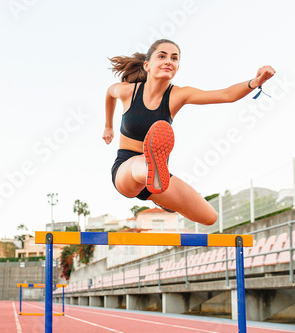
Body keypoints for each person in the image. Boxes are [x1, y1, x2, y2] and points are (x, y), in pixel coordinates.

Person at [103, 39, 275, 226]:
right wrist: (108, 126)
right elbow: (109, 94)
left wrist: (256, 81)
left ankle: (156, 184)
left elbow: (226, 95)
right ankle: (151, 170)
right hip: (126, 170)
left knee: (210, 217)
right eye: (162, 56)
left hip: (157, 181)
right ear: (147, 65)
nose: (169, 61)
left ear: (177, 67)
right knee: (140, 164)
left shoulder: (178, 95)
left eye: (174, 58)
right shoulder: (129, 92)